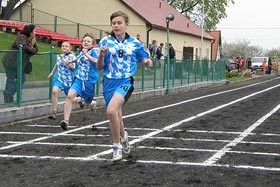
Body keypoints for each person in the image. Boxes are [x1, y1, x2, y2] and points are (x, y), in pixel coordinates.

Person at [97, 11, 152, 161]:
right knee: (116, 115)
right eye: (113, 23)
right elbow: (99, 67)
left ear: (126, 24)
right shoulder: (105, 42)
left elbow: (145, 58)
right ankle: (124, 136)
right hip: (109, 81)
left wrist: (147, 62)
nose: (116, 25)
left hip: (125, 81)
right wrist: (101, 55)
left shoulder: (135, 43)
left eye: (119, 23)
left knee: (111, 110)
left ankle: (116, 147)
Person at [59, 33, 99, 130]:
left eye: (88, 41)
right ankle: (66, 121)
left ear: (92, 44)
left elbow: (96, 61)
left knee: (87, 103)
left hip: (89, 81)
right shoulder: (82, 52)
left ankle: (91, 103)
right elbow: (79, 59)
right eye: (84, 41)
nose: (86, 42)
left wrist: (86, 54)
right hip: (79, 79)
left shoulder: (94, 51)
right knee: (70, 96)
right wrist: (71, 61)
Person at [2, 24, 38, 103]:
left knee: (17, 79)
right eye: (34, 31)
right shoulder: (21, 37)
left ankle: (8, 97)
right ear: (30, 32)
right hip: (11, 62)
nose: (36, 33)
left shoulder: (30, 39)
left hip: (18, 64)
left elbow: (36, 49)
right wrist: (32, 50)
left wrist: (33, 43)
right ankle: (8, 95)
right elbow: (24, 47)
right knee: (15, 79)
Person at [47, 41, 77, 120]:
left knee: (71, 98)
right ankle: (54, 112)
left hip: (69, 79)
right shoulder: (59, 56)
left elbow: (73, 67)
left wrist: (64, 60)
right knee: (54, 91)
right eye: (63, 46)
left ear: (70, 48)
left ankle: (84, 101)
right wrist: (52, 73)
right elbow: (57, 64)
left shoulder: (72, 57)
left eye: (66, 46)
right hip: (59, 77)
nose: (64, 47)